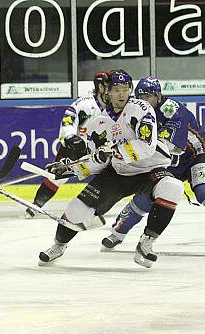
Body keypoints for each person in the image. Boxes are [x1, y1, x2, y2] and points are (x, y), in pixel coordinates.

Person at [38, 70, 184, 268]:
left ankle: (146, 243)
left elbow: (146, 146)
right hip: (119, 173)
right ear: (106, 91)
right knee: (77, 210)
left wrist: (115, 150)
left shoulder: (141, 109)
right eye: (116, 90)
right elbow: (95, 159)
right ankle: (59, 245)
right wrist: (72, 169)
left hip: (150, 168)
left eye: (125, 89)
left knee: (173, 187)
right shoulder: (98, 123)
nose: (122, 94)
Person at [101, 76, 205, 250]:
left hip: (194, 155)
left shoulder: (171, 109)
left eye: (149, 97)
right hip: (166, 160)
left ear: (159, 96)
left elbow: (168, 146)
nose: (145, 101)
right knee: (144, 199)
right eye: (142, 97)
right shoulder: (136, 111)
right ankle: (117, 233)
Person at [25, 71, 110, 218]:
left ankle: (95, 210)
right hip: (78, 148)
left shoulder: (116, 107)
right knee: (57, 174)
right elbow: (68, 121)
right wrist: (70, 137)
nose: (115, 91)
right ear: (101, 87)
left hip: (101, 151)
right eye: (110, 87)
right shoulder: (85, 104)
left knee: (109, 179)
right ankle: (37, 204)